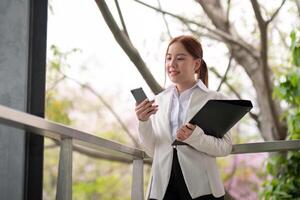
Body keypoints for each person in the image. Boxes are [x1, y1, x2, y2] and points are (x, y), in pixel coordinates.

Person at [135, 35, 232, 200]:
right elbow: (152, 150)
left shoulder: (215, 99)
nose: (171, 64)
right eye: (168, 58)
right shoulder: (158, 100)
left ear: (196, 64)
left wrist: (194, 137)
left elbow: (225, 147)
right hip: (161, 189)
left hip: (203, 190)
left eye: (179, 58)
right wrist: (143, 122)